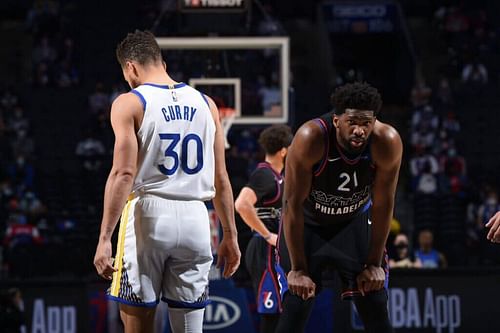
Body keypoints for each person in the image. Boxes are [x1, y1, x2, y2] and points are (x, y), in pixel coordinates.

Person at [93, 30, 241, 333]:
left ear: (131, 67)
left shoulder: (129, 102)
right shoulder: (207, 103)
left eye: (126, 74)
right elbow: (221, 178)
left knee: (137, 324)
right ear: (161, 60)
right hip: (197, 219)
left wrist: (105, 237)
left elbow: (123, 174)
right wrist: (231, 234)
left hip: (148, 215)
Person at [276, 82, 402, 333]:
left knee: (375, 304)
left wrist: (374, 263)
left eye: (366, 124)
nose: (359, 130)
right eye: (352, 122)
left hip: (353, 224)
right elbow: (292, 206)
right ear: (336, 121)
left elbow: (384, 204)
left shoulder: (387, 141)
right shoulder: (310, 138)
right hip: (309, 226)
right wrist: (298, 269)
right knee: (296, 304)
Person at [234, 124, 292, 333]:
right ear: (284, 150)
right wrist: (268, 235)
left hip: (273, 250)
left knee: (281, 309)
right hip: (264, 249)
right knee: (271, 310)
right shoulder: (265, 175)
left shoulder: (279, 176)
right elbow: (241, 204)